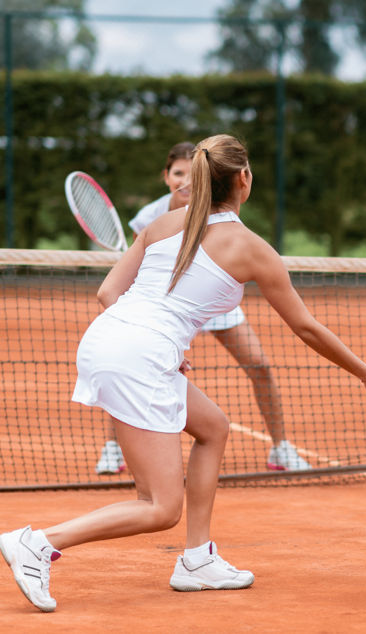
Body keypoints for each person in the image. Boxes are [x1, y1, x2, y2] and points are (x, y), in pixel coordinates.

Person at [0, 134, 366, 612]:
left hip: (115, 341)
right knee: (159, 507)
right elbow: (306, 328)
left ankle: (197, 559)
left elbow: (107, 294)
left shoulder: (164, 223)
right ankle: (37, 543)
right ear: (244, 179)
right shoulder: (251, 248)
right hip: (137, 356)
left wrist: (164, 345)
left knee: (213, 427)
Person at [95, 142, 311, 475]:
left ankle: (281, 447)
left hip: (215, 296)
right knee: (135, 368)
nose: (184, 181)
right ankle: (113, 448)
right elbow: (135, 275)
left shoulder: (223, 216)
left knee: (260, 365)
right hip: (165, 308)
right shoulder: (151, 218)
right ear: (166, 177)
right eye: (177, 174)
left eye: (190, 173)